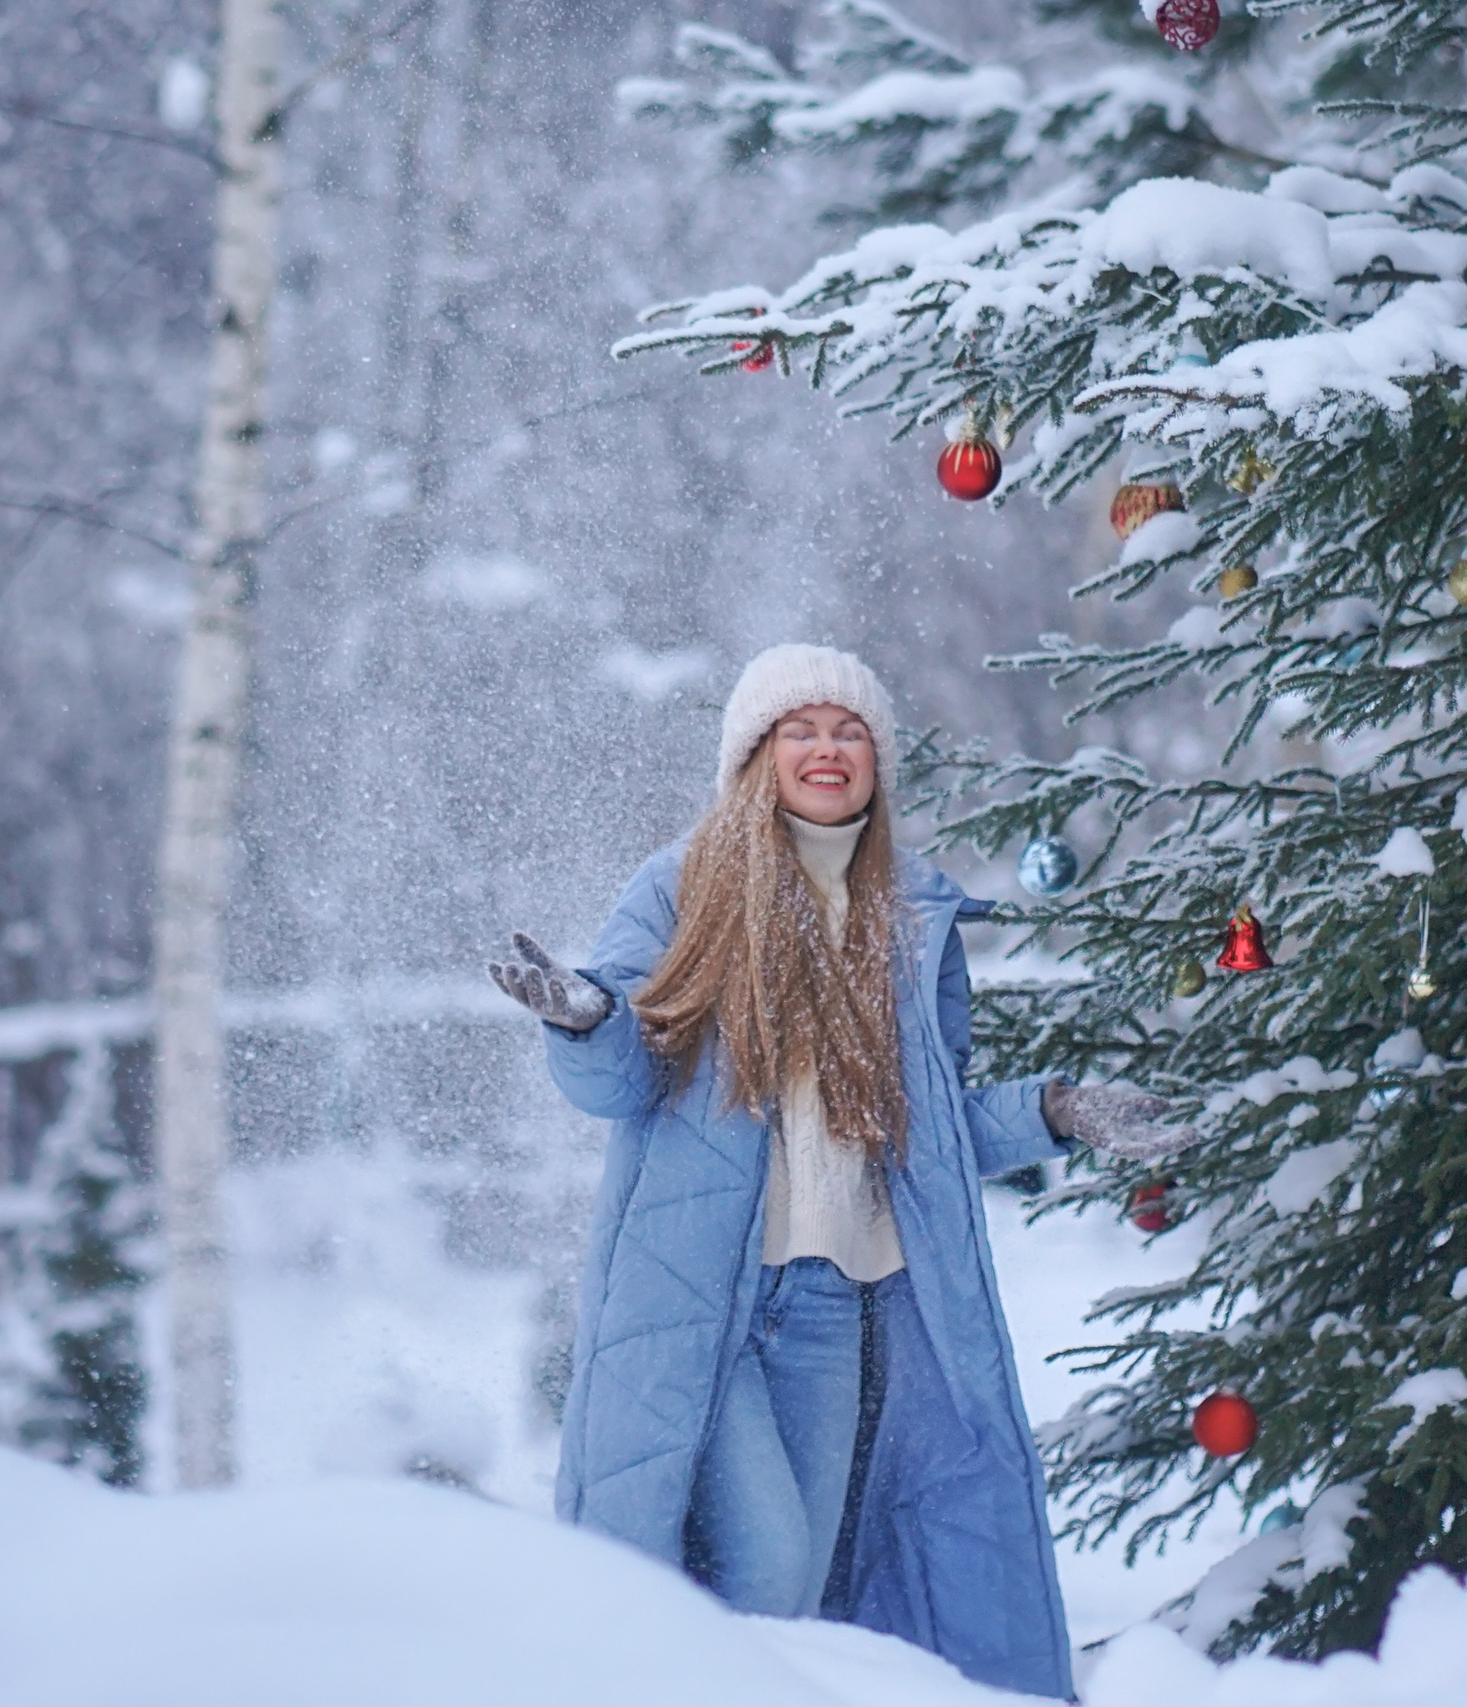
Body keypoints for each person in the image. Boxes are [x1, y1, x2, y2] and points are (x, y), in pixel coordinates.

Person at [492, 643, 1188, 1699]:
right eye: (799, 729)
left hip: (833, 1310)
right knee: (766, 1560)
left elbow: (929, 1131)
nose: (827, 748)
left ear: (876, 759)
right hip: (704, 1298)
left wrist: (1058, 1111)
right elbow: (623, 1079)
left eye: (849, 729)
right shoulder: (680, 889)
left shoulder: (909, 916)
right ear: (753, 756)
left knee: (802, 1584)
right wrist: (584, 1019)